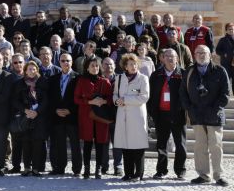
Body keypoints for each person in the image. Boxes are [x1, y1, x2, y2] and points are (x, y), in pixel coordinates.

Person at [180, 45, 230, 186]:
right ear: (194, 55)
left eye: (204, 53)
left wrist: (215, 109)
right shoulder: (190, 71)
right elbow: (183, 92)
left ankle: (218, 176)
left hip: (215, 115)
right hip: (196, 115)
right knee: (200, 146)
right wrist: (189, 109)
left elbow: (225, 94)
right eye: (198, 53)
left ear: (210, 55)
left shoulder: (220, 71)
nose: (201, 55)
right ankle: (203, 175)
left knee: (216, 146)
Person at [148, 49, 187, 180]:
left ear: (177, 58)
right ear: (162, 58)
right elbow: (151, 95)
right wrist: (152, 112)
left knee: (180, 144)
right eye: (167, 56)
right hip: (161, 114)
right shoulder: (156, 75)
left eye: (172, 56)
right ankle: (161, 170)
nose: (170, 58)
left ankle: (180, 170)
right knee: (161, 144)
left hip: (178, 114)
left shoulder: (183, 74)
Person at [112, 53, 150, 181]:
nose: (133, 66)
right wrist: (116, 101)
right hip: (123, 115)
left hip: (137, 116)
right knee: (125, 145)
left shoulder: (143, 79)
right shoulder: (120, 78)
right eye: (130, 64)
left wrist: (125, 99)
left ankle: (138, 174)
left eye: (135, 64)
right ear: (125, 66)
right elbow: (115, 94)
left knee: (138, 146)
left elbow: (144, 96)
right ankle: (128, 173)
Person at [74, 56, 113, 179]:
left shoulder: (105, 81)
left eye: (97, 66)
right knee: (87, 143)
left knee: (100, 143)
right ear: (87, 67)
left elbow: (111, 99)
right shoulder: (81, 81)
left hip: (101, 117)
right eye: (92, 66)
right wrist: (90, 102)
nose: (95, 68)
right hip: (87, 116)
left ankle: (99, 169)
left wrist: (103, 101)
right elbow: (76, 98)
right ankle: (86, 168)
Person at [48, 53, 81, 175]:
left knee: (75, 145)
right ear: (59, 62)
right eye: (63, 61)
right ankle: (60, 167)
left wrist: (70, 110)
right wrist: (55, 110)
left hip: (72, 116)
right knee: (59, 144)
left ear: (72, 62)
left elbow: (81, 97)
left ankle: (77, 169)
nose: (65, 63)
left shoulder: (78, 78)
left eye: (68, 60)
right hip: (58, 117)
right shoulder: (53, 79)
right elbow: (50, 99)